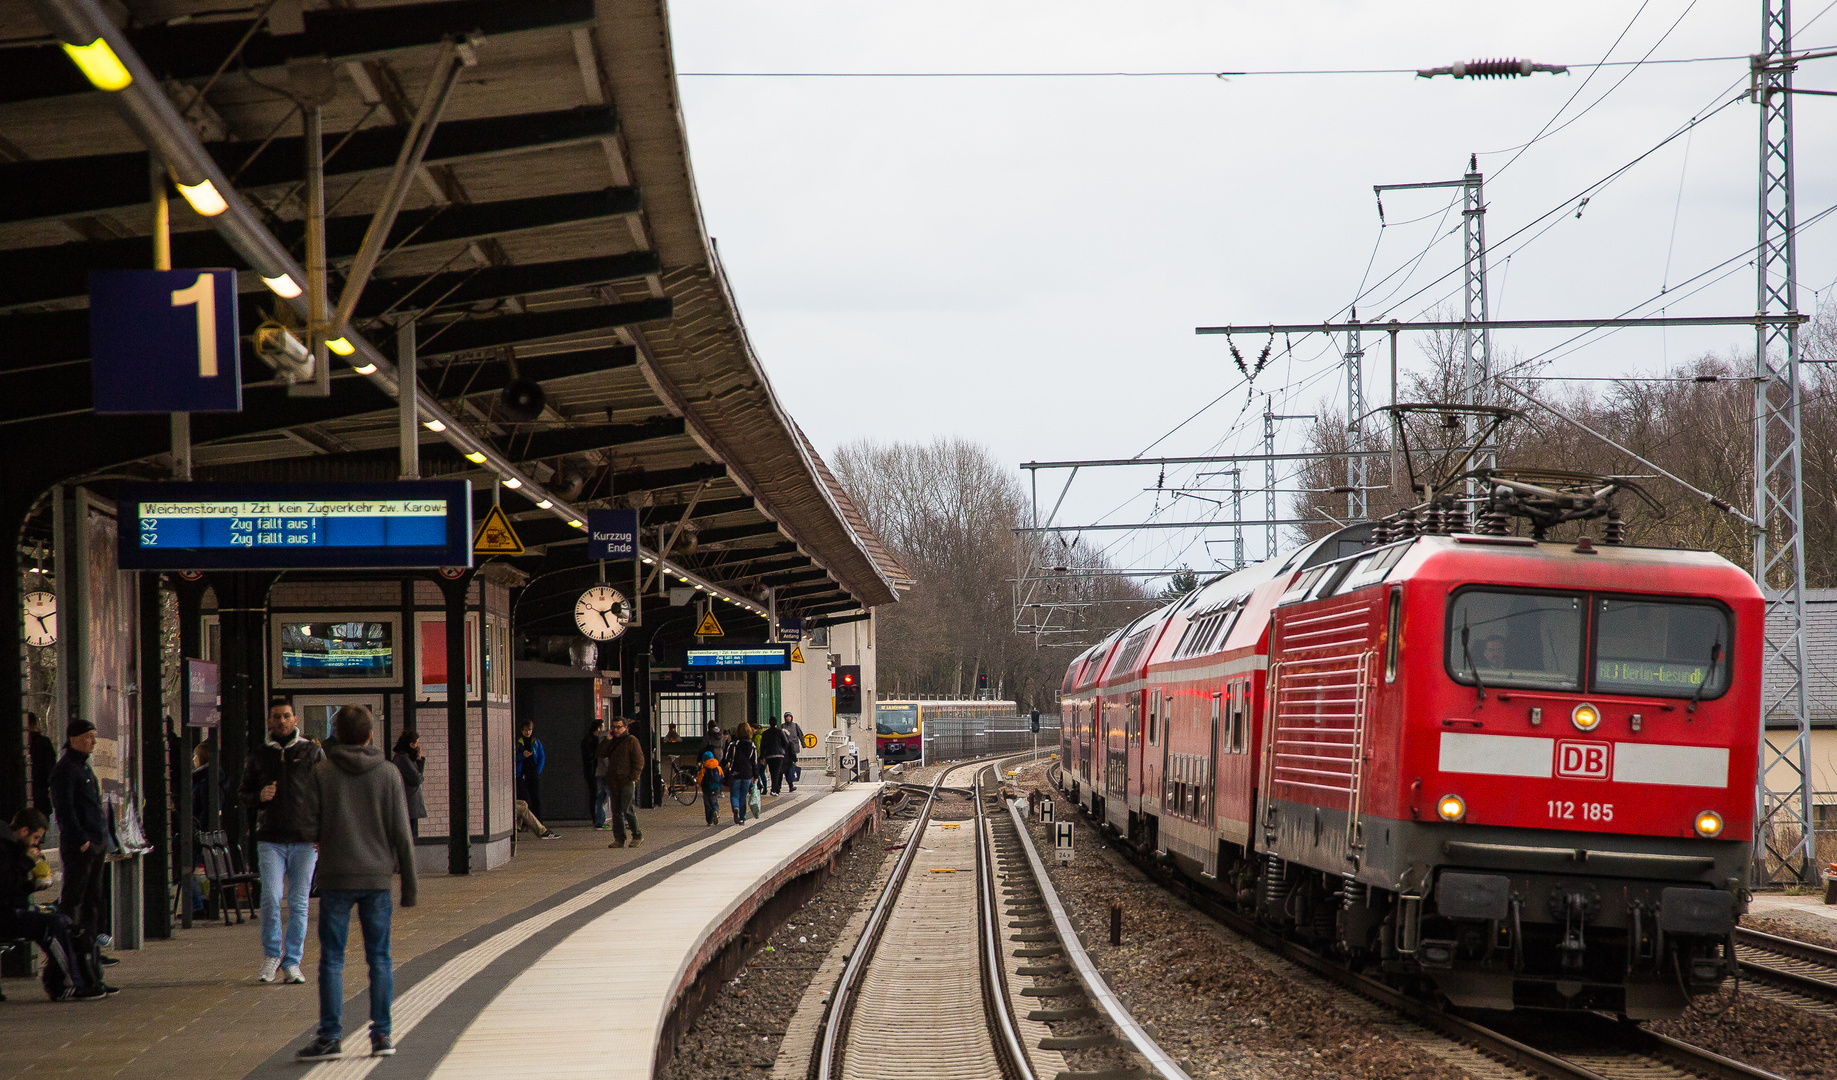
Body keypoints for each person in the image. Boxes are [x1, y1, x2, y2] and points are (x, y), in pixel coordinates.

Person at [295, 704, 417, 1062]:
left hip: (335, 876)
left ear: (337, 735)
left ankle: (330, 1036)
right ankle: (382, 1036)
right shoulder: (389, 773)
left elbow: (306, 826)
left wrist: (327, 834)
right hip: (377, 879)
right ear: (370, 735)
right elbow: (402, 834)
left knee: (331, 959)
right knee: (380, 958)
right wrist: (409, 887)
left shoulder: (322, 773)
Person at [239, 700, 325, 985]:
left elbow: (327, 793)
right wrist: (258, 796)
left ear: (295, 718)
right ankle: (271, 956)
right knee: (271, 898)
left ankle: (292, 962)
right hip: (271, 838)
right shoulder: (259, 755)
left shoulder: (311, 752)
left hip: (304, 840)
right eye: (277, 717)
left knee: (300, 903)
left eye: (287, 716)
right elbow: (243, 794)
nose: (282, 721)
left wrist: (323, 833)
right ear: (270, 722)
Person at [1, 807, 106, 1001]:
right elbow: (4, 884)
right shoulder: (4, 849)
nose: (38, 843)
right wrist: (27, 862)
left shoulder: (13, 848)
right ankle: (71, 983)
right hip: (5, 916)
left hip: (10, 911)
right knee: (52, 925)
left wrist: (31, 886)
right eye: (37, 837)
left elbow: (11, 888)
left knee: (65, 921)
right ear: (24, 831)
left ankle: (77, 978)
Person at [48, 719, 112, 971]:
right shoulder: (65, 770)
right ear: (74, 739)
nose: (94, 742)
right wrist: (81, 839)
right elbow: (65, 810)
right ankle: (70, 949)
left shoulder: (84, 768)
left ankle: (89, 949)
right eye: (89, 737)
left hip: (96, 842)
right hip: (81, 846)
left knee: (93, 899)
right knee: (74, 897)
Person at [599, 717, 644, 848]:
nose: (616, 730)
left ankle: (637, 835)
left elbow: (639, 761)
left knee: (627, 808)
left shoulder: (631, 741)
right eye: (614, 727)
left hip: (626, 781)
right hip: (613, 781)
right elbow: (601, 753)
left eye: (619, 727)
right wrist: (607, 740)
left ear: (625, 727)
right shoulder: (612, 741)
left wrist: (632, 777)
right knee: (616, 811)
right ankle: (619, 838)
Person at [390, 730, 427, 840]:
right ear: (410, 744)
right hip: (409, 802)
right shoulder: (403, 759)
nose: (417, 746)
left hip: (408, 802)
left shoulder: (401, 758)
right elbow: (416, 778)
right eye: (416, 743)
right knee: (409, 835)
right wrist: (419, 763)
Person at [722, 724, 760, 825]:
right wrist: (756, 776)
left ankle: (735, 808)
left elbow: (726, 758)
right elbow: (754, 762)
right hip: (747, 774)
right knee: (743, 796)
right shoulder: (752, 746)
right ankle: (742, 818)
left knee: (734, 795)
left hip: (735, 773)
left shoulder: (733, 745)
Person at [580, 719, 609, 830]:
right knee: (597, 795)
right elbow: (592, 756)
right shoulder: (593, 740)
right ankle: (597, 821)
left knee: (598, 795)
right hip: (593, 772)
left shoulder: (589, 739)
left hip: (593, 771)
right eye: (602, 727)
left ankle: (598, 820)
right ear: (598, 728)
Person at [516, 719, 546, 820]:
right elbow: (513, 758)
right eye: (525, 730)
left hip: (533, 772)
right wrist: (522, 756)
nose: (528, 732)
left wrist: (538, 770)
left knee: (535, 798)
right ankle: (524, 823)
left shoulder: (536, 742)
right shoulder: (518, 743)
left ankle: (538, 820)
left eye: (529, 730)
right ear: (522, 730)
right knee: (523, 799)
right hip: (521, 773)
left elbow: (542, 757)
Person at [25, 712, 55, 815]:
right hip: (40, 796)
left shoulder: (18, 744)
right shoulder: (44, 743)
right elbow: (51, 768)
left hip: (34, 794)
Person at [761, 716, 791, 796]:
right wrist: (782, 749)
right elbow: (786, 742)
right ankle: (774, 789)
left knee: (772, 771)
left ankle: (774, 788)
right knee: (777, 772)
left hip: (769, 755)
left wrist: (762, 756)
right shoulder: (780, 731)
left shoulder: (765, 733)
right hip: (779, 755)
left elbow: (762, 745)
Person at [695, 750, 724, 827]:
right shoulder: (718, 768)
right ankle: (715, 811)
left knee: (707, 805)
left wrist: (700, 785)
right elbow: (722, 777)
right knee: (714, 803)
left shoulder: (704, 770)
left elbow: (700, 780)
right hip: (716, 789)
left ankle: (709, 821)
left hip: (706, 790)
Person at [781, 712, 805, 793]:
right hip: (785, 750)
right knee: (788, 767)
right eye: (786, 717)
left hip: (793, 748)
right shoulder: (782, 726)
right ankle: (789, 784)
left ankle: (791, 781)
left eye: (789, 717)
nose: (788, 718)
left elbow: (800, 735)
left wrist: (803, 744)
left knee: (791, 765)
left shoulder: (795, 725)